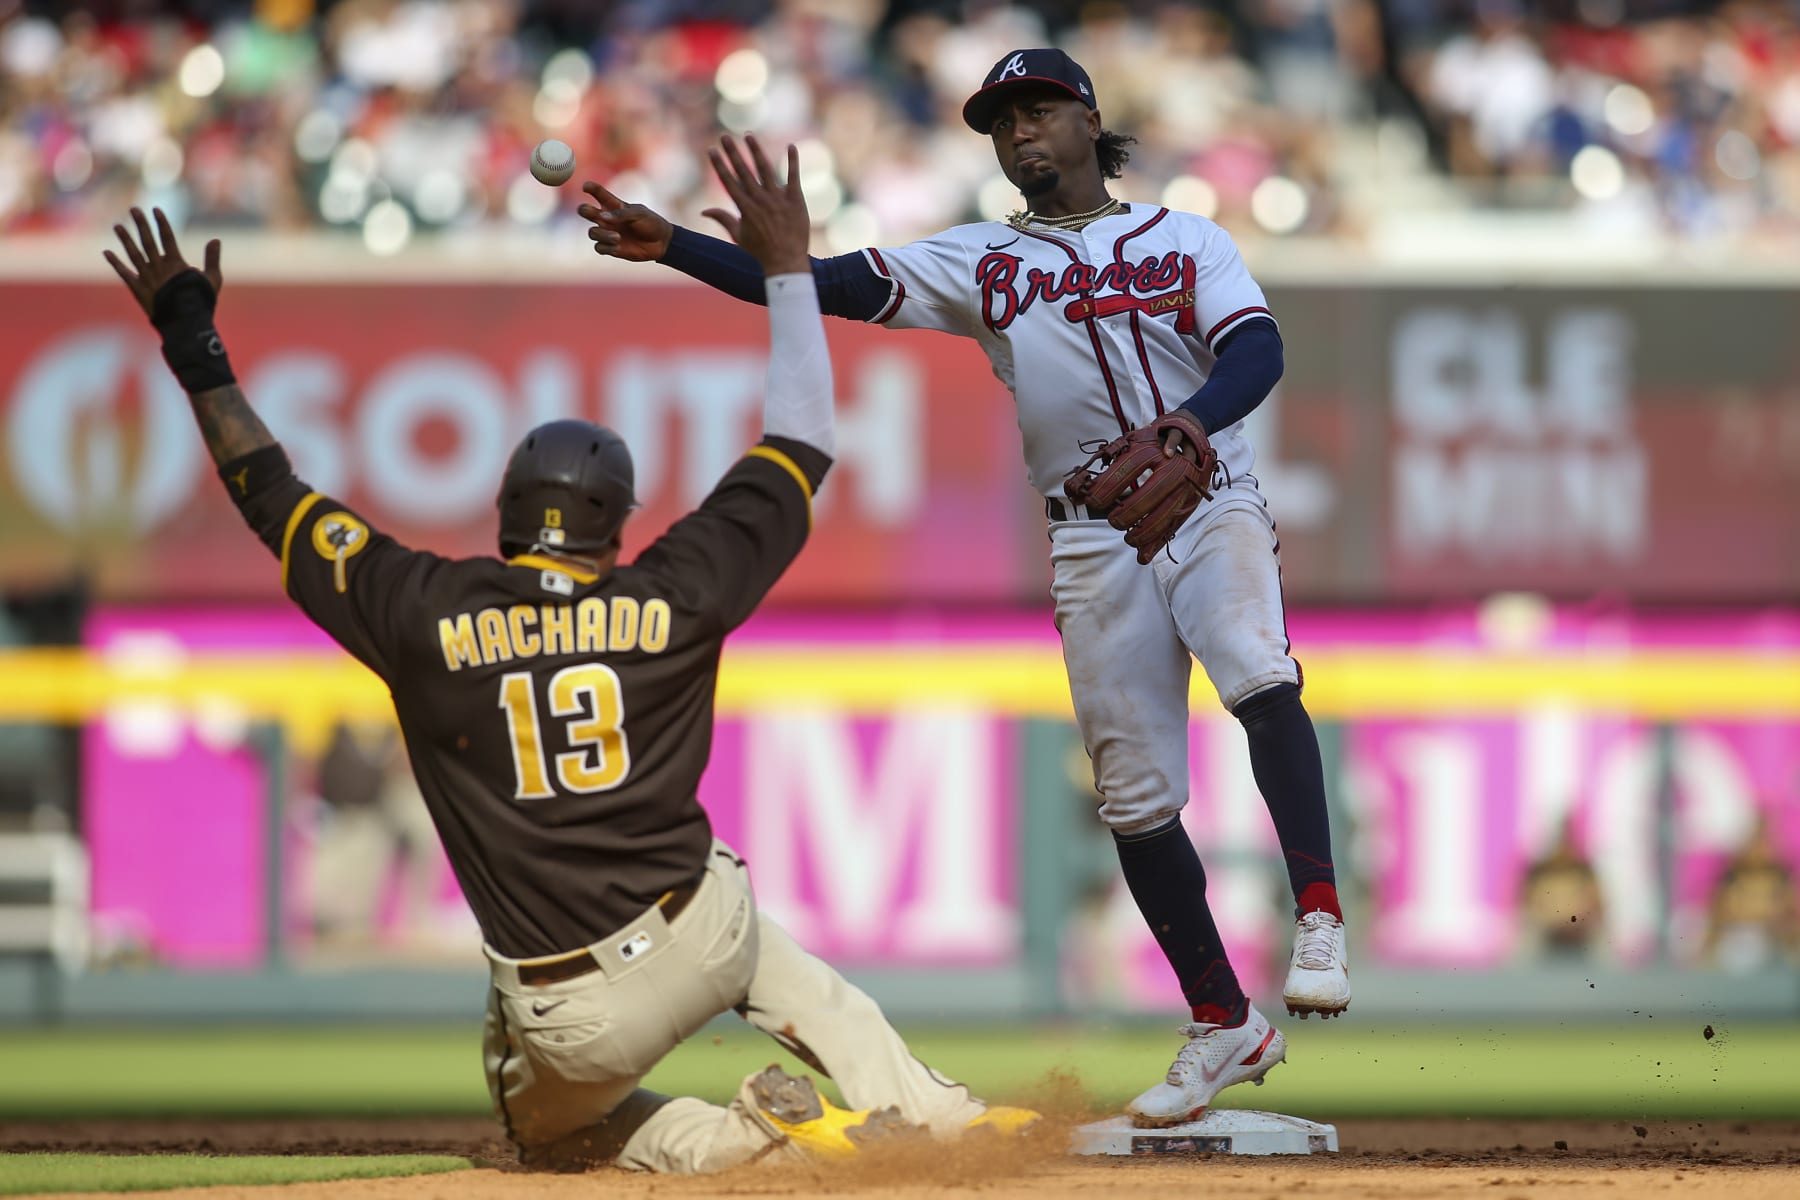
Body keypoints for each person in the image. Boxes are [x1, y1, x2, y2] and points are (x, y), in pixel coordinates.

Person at [105, 137, 1032, 1175]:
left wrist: (195, 346)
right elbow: (806, 440)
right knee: (751, 926)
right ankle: (931, 1109)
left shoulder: (422, 608)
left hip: (570, 1009)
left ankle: (748, 1137)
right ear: (618, 526)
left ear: (504, 511)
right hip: (703, 931)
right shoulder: (672, 590)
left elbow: (268, 494)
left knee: (551, 1135)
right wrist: (784, 268)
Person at [581, 48, 1350, 1127]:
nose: (1019, 132)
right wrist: (679, 250)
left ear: (1089, 120)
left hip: (1208, 490)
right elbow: (828, 284)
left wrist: (1192, 423)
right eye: (1001, 121)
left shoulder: (1186, 237)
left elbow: (1256, 352)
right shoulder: (981, 261)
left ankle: (1317, 913)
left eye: (1038, 110)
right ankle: (1223, 1021)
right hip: (1090, 535)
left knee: (1257, 670)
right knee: (1133, 801)